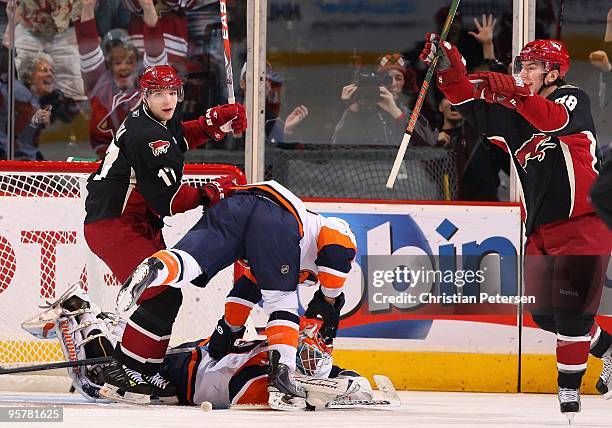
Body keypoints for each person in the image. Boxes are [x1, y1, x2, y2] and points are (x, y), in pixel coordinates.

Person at [420, 35, 612, 420]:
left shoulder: (572, 97)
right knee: (545, 316)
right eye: (520, 66)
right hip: (540, 230)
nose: (522, 72)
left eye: (532, 67)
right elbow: (464, 98)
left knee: (572, 315)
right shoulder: (514, 115)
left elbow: (551, 120)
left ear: (553, 73)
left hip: (584, 223)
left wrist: (513, 95)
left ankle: (569, 399)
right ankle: (607, 346)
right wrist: (447, 67)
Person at [100, 179, 356, 410]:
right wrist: (330, 297)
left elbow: (244, 292)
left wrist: (228, 330)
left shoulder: (277, 259)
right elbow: (337, 247)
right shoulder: (331, 230)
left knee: (193, 259)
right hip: (278, 214)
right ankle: (283, 374)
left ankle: (158, 268)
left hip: (235, 205)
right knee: (281, 301)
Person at [28, 283, 373, 409]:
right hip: (187, 369)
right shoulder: (273, 366)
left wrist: (347, 383)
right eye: (307, 349)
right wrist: (311, 394)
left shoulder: (292, 358)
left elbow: (345, 379)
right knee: (100, 383)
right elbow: (250, 391)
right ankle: (82, 317)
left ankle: (108, 324)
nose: (310, 355)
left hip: (201, 368)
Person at [83, 64, 246, 287]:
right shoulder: (147, 136)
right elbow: (170, 200)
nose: (168, 101)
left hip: (127, 220)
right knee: (160, 299)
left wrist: (213, 126)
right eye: (159, 94)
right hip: (115, 225)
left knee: (162, 300)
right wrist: (209, 192)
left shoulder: (150, 118)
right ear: (145, 96)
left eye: (172, 93)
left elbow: (178, 137)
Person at [332, 53, 437, 146]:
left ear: (405, 82)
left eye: (398, 78)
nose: (393, 84)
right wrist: (353, 111)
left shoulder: (410, 115)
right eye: (387, 78)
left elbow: (429, 143)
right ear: (377, 81)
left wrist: (396, 112)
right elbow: (340, 145)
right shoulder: (362, 112)